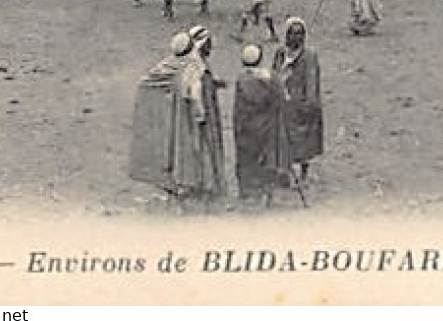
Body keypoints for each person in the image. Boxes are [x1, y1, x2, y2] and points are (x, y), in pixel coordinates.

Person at [129, 26, 226, 208]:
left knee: (181, 146)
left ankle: (185, 180)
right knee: (198, 147)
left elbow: (150, 80)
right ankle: (199, 183)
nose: (210, 48)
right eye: (208, 44)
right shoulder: (194, 66)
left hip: (178, 113)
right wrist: (200, 113)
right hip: (192, 116)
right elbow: (194, 91)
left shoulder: (172, 63)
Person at [233, 44, 290, 208]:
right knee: (266, 156)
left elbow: (240, 107)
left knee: (246, 157)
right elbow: (282, 97)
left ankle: (247, 190)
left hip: (246, 126)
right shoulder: (270, 77)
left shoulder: (242, 79)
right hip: (267, 124)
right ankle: (266, 189)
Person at [275, 18, 323, 182]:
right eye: (292, 34)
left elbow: (312, 81)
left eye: (300, 34)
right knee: (284, 138)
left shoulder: (309, 56)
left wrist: (309, 104)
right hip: (283, 103)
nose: (296, 38)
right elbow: (274, 72)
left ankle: (303, 173)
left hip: (301, 103)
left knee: (303, 140)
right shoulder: (281, 53)